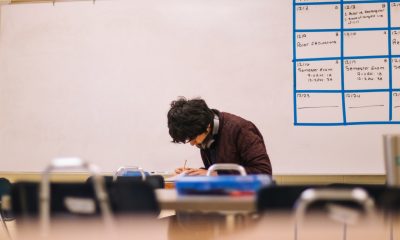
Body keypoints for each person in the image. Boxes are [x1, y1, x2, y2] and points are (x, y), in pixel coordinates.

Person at [167, 97, 272, 176]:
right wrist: (194, 173)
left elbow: (264, 172)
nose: (192, 143)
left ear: (207, 126)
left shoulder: (241, 129)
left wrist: (216, 174)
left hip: (248, 200)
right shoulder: (206, 136)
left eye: (193, 138)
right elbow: (219, 170)